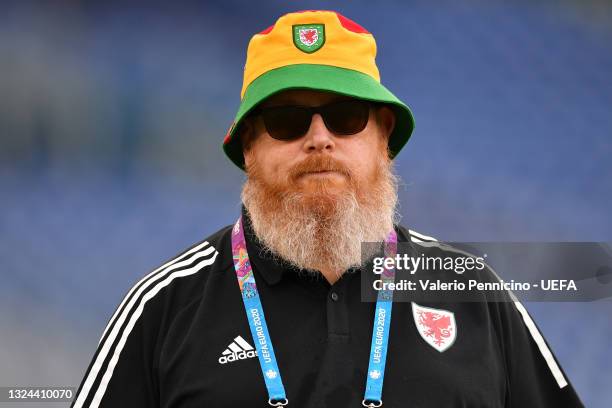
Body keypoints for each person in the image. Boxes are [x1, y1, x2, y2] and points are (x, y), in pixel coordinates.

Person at [71, 10, 584, 408]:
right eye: (286, 120)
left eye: (346, 115)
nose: (319, 138)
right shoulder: (165, 306)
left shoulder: (471, 292)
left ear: (383, 138)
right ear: (248, 148)